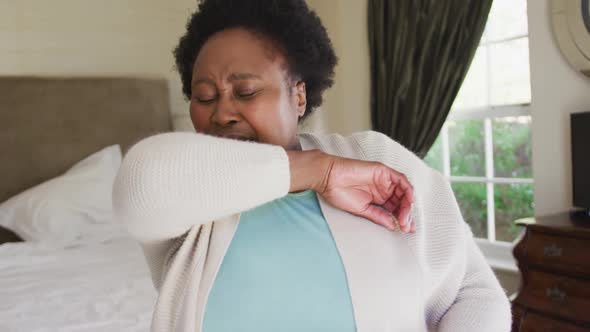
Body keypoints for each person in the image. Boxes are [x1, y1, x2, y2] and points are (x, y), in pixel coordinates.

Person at [113, 0, 511, 331]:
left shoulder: (373, 159)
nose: (222, 112)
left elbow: (471, 290)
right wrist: (319, 172)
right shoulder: (189, 199)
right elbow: (141, 183)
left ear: (298, 96)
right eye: (203, 96)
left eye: (246, 90)